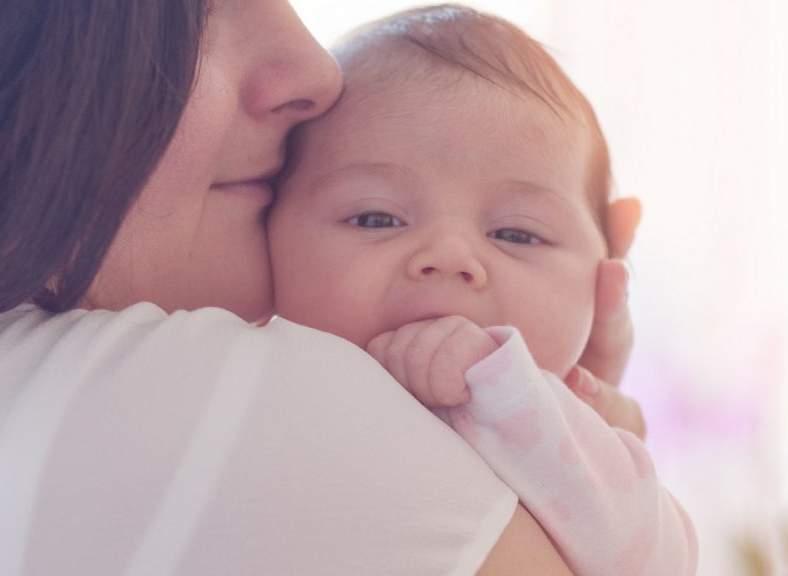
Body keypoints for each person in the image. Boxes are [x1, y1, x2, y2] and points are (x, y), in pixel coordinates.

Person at [0, 1, 636, 574]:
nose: (314, 70)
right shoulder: (210, 404)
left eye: (518, 234)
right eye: (200, 12)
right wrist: (572, 460)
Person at [268, 4, 695, 575]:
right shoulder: (245, 372)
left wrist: (506, 396)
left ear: (605, 272)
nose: (449, 257)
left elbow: (658, 558)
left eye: (517, 233)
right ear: (264, 230)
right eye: (375, 218)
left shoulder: (575, 426)